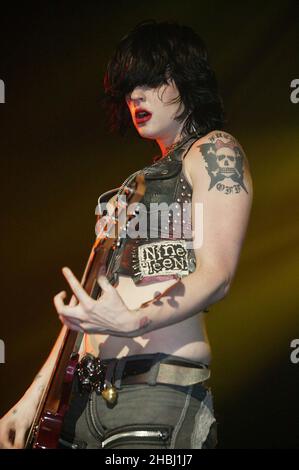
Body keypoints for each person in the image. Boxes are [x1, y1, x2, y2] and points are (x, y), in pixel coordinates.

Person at [0, 20, 253, 449]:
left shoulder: (214, 150)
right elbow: (86, 311)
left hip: (153, 396)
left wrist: (136, 319)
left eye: (150, 81)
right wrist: (30, 400)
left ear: (186, 80)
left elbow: (218, 274)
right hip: (79, 405)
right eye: (128, 87)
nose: (135, 95)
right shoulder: (129, 187)